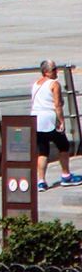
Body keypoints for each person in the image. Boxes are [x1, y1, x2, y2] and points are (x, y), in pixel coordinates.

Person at [31, 60, 81, 190]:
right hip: (50, 119)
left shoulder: (36, 84)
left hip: (36, 120)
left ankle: (41, 181)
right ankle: (66, 175)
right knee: (63, 146)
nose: (56, 71)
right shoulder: (54, 84)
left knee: (43, 151)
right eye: (53, 69)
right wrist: (61, 121)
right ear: (46, 72)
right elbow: (57, 105)